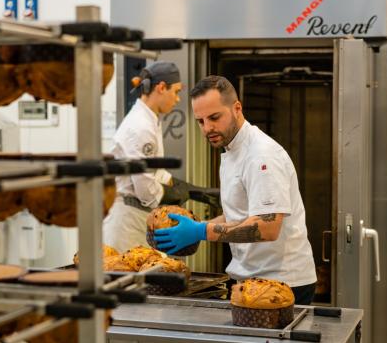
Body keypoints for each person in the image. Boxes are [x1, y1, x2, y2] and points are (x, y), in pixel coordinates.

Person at [154, 75, 317, 304]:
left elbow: (268, 227)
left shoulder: (262, 155)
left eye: (214, 117)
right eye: (200, 121)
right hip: (248, 279)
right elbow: (240, 215)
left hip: (282, 283)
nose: (208, 128)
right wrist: (197, 226)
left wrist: (202, 231)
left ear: (237, 108)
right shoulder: (232, 150)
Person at [103, 61, 188, 253]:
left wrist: (192, 189)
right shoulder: (140, 126)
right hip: (128, 221)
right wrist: (172, 195)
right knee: (129, 277)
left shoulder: (149, 120)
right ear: (160, 88)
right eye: (176, 91)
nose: (177, 99)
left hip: (137, 215)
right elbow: (146, 190)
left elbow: (154, 171)